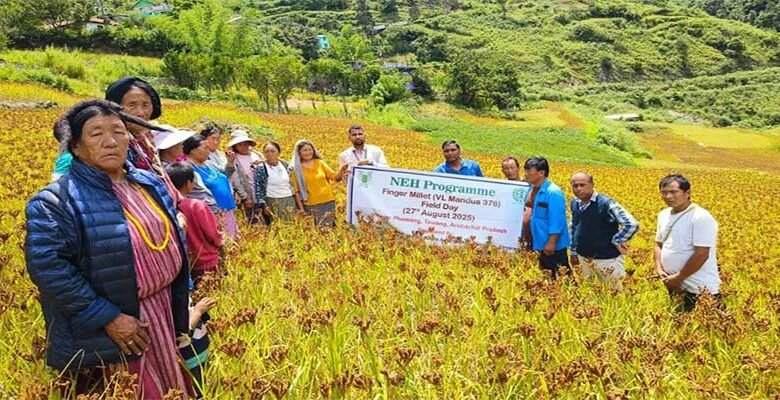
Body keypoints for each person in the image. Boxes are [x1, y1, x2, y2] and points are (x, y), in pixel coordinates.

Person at [25, 100, 193, 397]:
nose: (111, 141)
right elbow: (50, 271)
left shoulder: (148, 183)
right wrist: (110, 319)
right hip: (118, 327)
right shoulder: (55, 201)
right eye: (96, 134)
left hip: (163, 313)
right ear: (75, 147)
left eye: (118, 131)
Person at [654, 174, 721, 311]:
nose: (668, 196)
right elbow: (658, 244)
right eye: (664, 192)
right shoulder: (664, 215)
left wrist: (678, 277)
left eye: (673, 192)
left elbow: (701, 254)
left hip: (699, 287)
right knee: (678, 324)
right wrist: (660, 269)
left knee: (707, 327)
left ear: (687, 193)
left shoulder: (700, 217)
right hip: (673, 284)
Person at [569, 172, 639, 290]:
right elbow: (574, 226)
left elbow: (631, 224)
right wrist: (573, 252)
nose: (578, 189)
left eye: (582, 185)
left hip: (607, 259)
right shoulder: (575, 203)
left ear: (592, 185)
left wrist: (617, 240)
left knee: (613, 293)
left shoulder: (606, 203)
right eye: (575, 186)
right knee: (589, 291)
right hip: (583, 257)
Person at [166, 162, 224, 281]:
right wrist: (222, 242)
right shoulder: (196, 205)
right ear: (189, 183)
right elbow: (212, 234)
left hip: (183, 266)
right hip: (208, 261)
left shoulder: (167, 207)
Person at [105, 77, 165, 176]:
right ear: (115, 108)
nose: (141, 113)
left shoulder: (146, 140)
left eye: (145, 105)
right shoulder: (112, 143)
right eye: (132, 105)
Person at [183, 135, 238, 240]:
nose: (208, 151)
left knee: (232, 244)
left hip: (227, 210)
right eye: (205, 148)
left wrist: (230, 162)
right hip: (212, 214)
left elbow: (225, 174)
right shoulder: (188, 169)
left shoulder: (208, 164)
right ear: (193, 150)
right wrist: (215, 211)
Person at [524, 157, 571, 279]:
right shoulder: (531, 188)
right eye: (526, 171)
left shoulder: (553, 192)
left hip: (552, 245)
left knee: (561, 277)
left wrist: (551, 242)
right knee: (546, 277)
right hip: (538, 241)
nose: (526, 174)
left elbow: (557, 220)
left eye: (530, 171)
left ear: (541, 173)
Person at [291, 139, 348, 227]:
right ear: (299, 153)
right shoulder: (296, 170)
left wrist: (341, 171)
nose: (308, 152)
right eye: (305, 150)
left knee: (329, 229)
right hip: (310, 205)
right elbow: (297, 192)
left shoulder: (320, 163)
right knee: (316, 230)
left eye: (310, 150)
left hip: (328, 202)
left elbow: (335, 177)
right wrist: (302, 210)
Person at [179, 296, 215, 399]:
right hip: (191, 362)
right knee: (200, 393)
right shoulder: (171, 299)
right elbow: (182, 334)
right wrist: (198, 312)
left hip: (202, 354)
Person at [255, 141, 298, 223]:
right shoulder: (261, 168)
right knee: (277, 226)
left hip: (289, 199)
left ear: (278, 152)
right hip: (273, 201)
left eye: (272, 151)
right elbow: (258, 188)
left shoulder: (284, 164)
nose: (269, 154)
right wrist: (264, 205)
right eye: (266, 151)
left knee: (292, 225)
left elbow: (292, 182)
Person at [227, 130, 264, 223]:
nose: (243, 147)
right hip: (249, 196)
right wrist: (245, 197)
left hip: (262, 195)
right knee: (252, 222)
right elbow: (236, 180)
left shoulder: (257, 155)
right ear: (235, 146)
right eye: (240, 145)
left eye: (245, 144)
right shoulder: (234, 159)